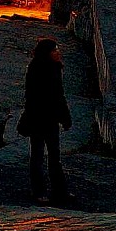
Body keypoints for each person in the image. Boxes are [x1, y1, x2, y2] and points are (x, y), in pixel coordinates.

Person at [20, 38, 73, 203]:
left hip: (50, 119)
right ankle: (39, 192)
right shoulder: (37, 69)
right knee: (38, 156)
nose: (58, 52)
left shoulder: (54, 68)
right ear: (48, 53)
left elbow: (59, 96)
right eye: (55, 50)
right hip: (39, 118)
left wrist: (64, 117)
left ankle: (59, 191)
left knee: (54, 156)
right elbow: (34, 97)